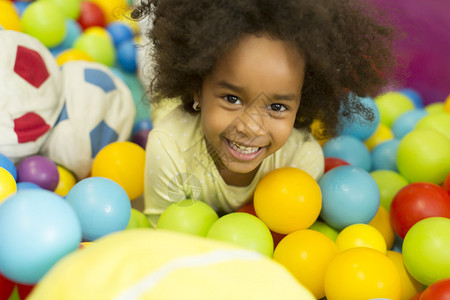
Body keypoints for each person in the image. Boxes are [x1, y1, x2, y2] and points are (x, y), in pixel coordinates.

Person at [131, 0, 397, 227]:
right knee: (148, 67)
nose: (251, 128)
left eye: (277, 107)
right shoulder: (168, 148)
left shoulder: (301, 160)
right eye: (232, 99)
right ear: (197, 89)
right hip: (173, 110)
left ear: (302, 100)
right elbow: (163, 237)